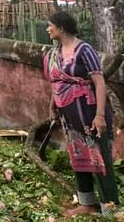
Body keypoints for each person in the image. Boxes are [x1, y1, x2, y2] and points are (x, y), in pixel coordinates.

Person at [44, 11, 119, 216]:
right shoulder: (55, 53)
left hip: (89, 114)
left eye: (50, 25)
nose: (48, 29)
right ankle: (87, 203)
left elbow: (99, 82)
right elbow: (57, 83)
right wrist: (53, 107)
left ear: (61, 28)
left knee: (100, 160)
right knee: (78, 156)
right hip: (69, 116)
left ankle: (109, 210)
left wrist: (100, 115)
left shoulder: (84, 50)